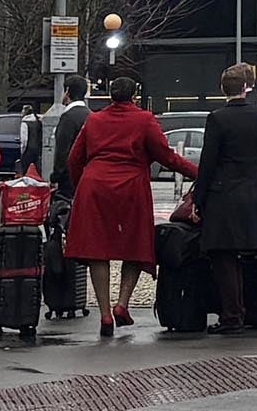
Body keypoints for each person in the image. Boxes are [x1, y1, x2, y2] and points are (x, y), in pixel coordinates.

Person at [62, 78, 194, 338]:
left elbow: (73, 159)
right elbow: (166, 157)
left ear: (111, 96)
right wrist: (198, 172)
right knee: (133, 246)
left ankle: (104, 314)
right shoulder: (144, 120)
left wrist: (82, 186)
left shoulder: (95, 120)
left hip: (95, 186)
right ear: (134, 95)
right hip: (131, 187)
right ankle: (122, 303)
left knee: (97, 251)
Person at [185, 65, 257, 337]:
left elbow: (208, 162)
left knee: (223, 255)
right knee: (246, 252)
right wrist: (251, 175)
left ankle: (231, 314)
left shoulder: (217, 118)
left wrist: (198, 198)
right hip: (250, 192)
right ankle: (251, 310)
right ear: (246, 88)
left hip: (222, 194)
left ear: (222, 89)